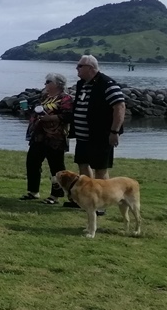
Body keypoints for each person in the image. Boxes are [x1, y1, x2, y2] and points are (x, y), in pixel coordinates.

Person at [72, 54, 126, 184]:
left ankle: (103, 195)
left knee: (100, 169)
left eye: (80, 66)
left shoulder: (106, 84)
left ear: (90, 68)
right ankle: (87, 194)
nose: (77, 68)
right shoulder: (81, 84)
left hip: (100, 136)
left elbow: (120, 107)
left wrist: (114, 131)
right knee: (82, 164)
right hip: (82, 136)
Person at [21, 73, 74, 202]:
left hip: (55, 137)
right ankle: (33, 191)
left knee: (56, 167)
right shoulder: (44, 96)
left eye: (48, 82)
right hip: (38, 136)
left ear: (58, 84)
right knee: (32, 163)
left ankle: (55, 196)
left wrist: (50, 118)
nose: (45, 84)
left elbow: (68, 116)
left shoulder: (65, 98)